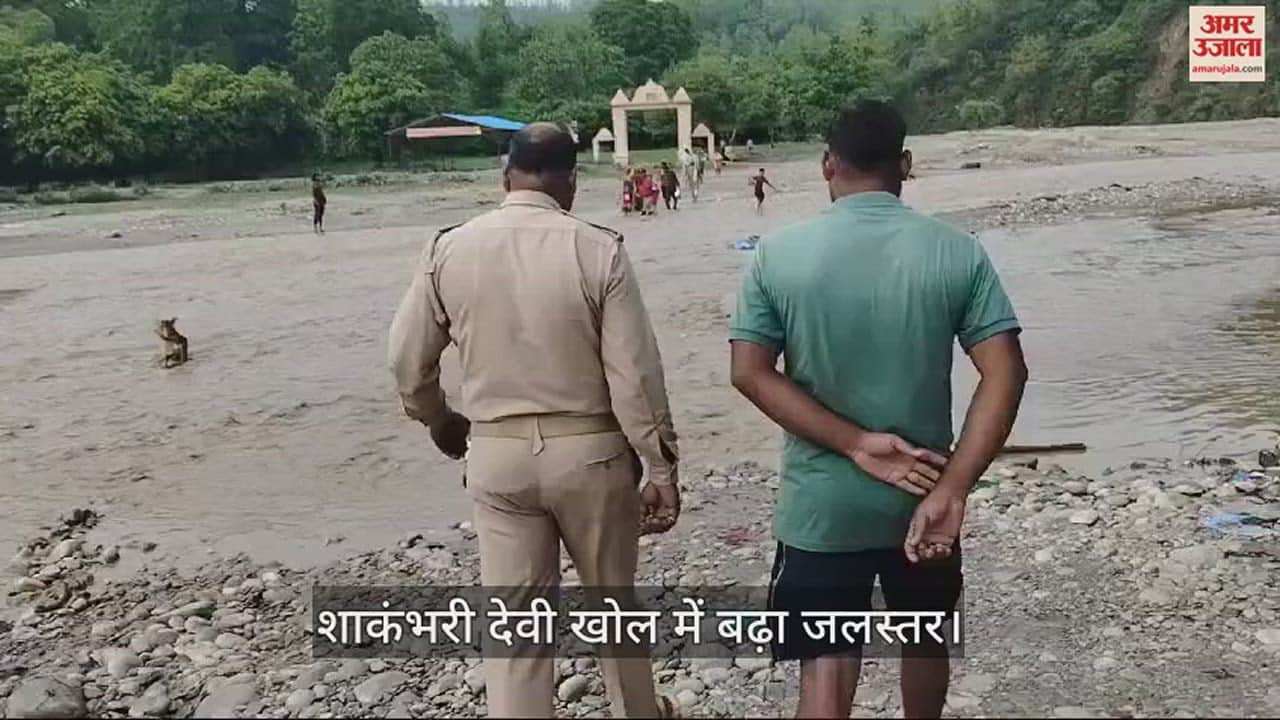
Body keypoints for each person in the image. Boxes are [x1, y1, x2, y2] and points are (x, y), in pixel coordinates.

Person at [728, 100, 1027, 720]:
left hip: (822, 508)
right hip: (926, 496)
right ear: (906, 165)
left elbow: (750, 373)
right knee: (924, 640)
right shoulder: (957, 252)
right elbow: (1006, 373)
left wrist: (854, 444)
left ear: (826, 164)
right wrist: (954, 488)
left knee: (827, 666)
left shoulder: (776, 254)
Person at [388, 123, 681, 719]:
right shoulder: (598, 250)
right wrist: (660, 464)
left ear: (504, 177)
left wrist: (439, 420)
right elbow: (635, 377)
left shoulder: (448, 248)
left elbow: (406, 362)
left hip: (496, 457)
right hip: (592, 458)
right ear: (570, 182)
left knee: (515, 633)